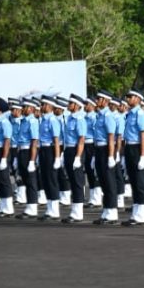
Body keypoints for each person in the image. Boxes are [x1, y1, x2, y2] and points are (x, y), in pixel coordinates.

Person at [121, 90, 144, 226]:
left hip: (137, 148)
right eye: (127, 97)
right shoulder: (129, 114)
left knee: (139, 182)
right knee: (133, 180)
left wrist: (143, 156)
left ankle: (141, 215)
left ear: (138, 99)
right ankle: (136, 212)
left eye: (130, 97)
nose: (128, 99)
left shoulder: (140, 114)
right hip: (129, 148)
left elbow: (143, 137)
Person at [91, 91, 121, 225]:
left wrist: (111, 156)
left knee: (109, 182)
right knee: (103, 181)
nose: (96, 100)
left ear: (105, 101)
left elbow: (111, 138)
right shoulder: (99, 116)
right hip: (98, 149)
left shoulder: (108, 116)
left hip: (106, 150)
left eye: (99, 98)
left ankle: (112, 212)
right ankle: (106, 210)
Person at [62, 94, 89, 223]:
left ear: (77, 105)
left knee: (77, 181)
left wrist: (78, 157)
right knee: (72, 180)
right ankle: (74, 211)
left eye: (71, 103)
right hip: (69, 149)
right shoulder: (70, 119)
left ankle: (78, 213)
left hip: (75, 151)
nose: (68, 104)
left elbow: (81, 139)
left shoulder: (79, 120)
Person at [37, 95, 64, 220]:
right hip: (43, 149)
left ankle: (54, 210)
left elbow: (56, 140)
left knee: (52, 180)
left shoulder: (53, 120)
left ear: (49, 106)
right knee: (45, 179)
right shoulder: (43, 120)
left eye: (43, 104)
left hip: (50, 151)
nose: (41, 106)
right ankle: (49, 208)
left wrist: (57, 157)